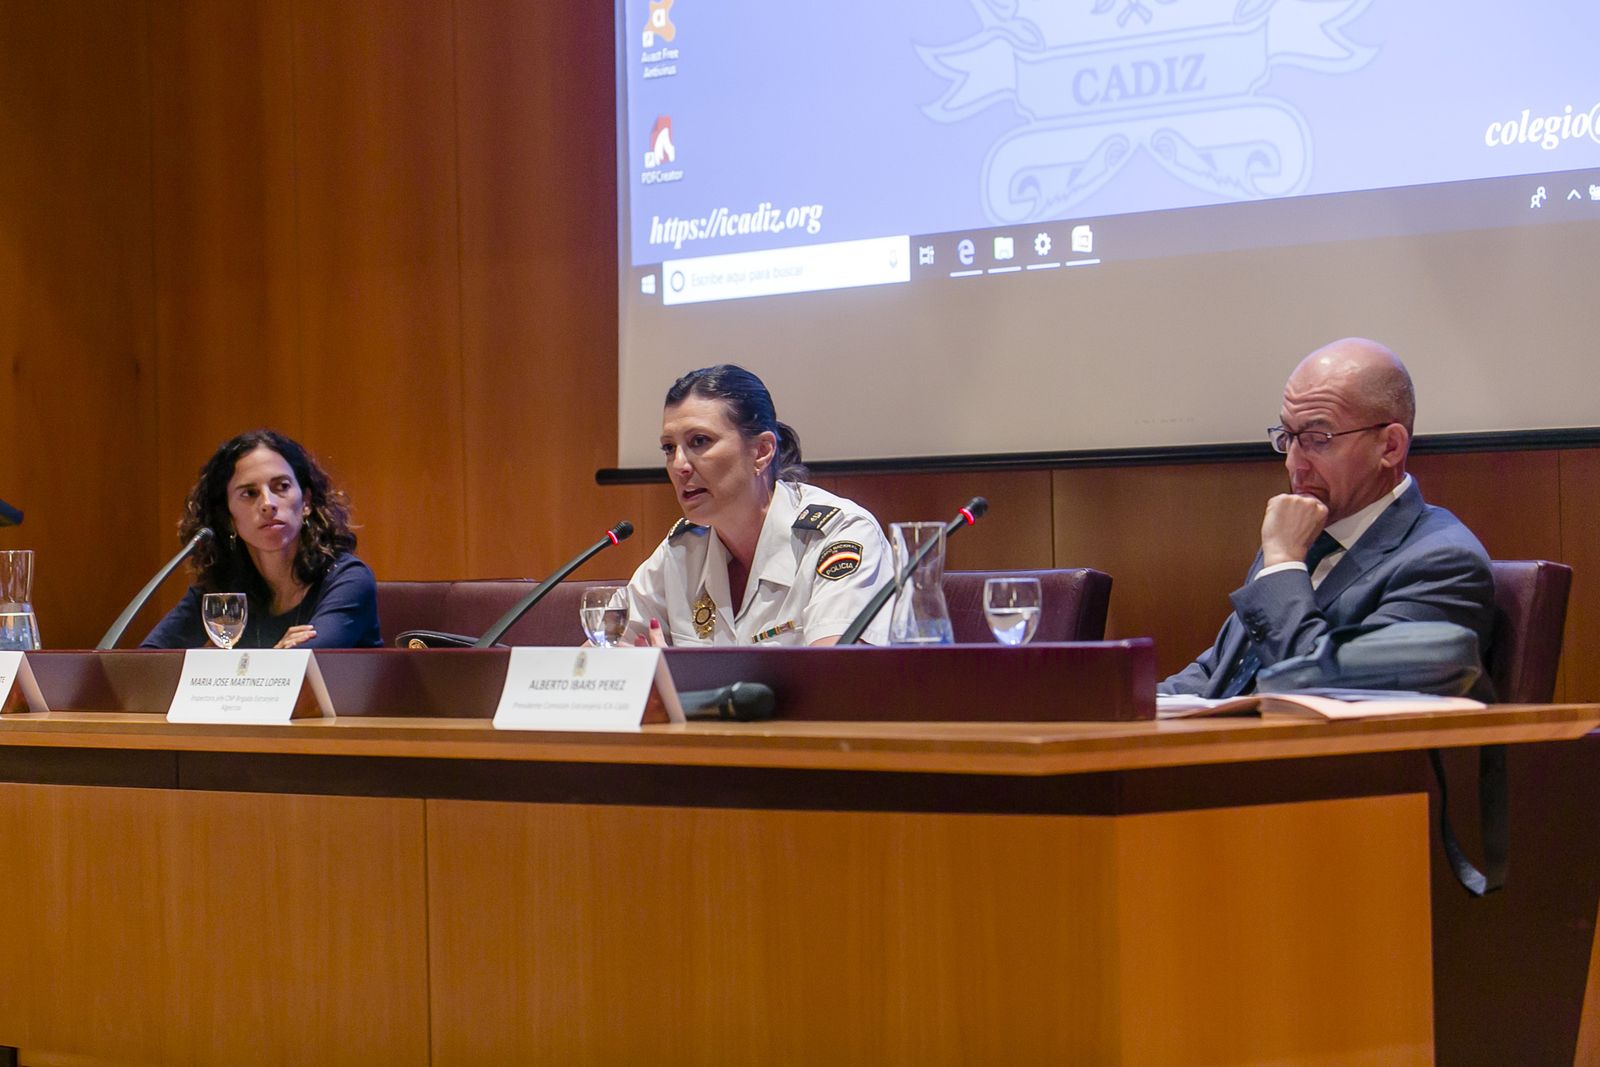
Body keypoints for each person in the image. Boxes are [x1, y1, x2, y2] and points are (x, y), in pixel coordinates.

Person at [1158, 338, 1496, 698]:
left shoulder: (1442, 563)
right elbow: (1220, 672)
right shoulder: (1300, 540)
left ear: (1390, 447)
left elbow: (1324, 690)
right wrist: (1130, 710)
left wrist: (1282, 565)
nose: (1294, 463)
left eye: (1319, 438)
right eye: (1288, 436)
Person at [622, 364, 892, 646]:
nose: (679, 465)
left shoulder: (839, 535)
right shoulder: (681, 550)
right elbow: (595, 660)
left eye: (699, 441)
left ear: (762, 451)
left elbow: (835, 678)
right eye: (669, 448)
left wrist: (677, 682)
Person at [141, 430, 382, 649]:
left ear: (306, 502)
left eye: (282, 486)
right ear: (228, 517)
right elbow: (147, 662)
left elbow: (305, 666)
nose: (268, 504)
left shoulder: (347, 579)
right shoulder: (221, 591)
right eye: (249, 493)